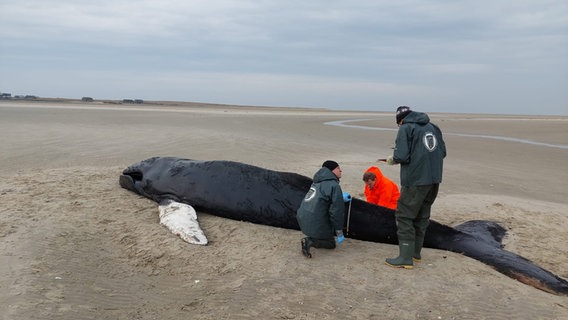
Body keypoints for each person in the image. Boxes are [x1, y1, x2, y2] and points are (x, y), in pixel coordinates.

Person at [384, 106, 446, 269]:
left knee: (404, 216)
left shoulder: (406, 128)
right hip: (434, 179)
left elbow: (402, 156)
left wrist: (392, 159)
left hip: (416, 180)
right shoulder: (433, 127)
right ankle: (416, 253)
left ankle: (405, 257)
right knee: (422, 215)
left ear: (400, 120)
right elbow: (443, 152)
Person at [296, 160, 351, 258]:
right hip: (315, 222)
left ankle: (313, 236)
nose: (341, 170)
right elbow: (337, 212)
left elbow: (321, 198)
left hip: (302, 220)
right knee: (331, 243)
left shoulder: (316, 182)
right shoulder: (334, 185)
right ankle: (311, 241)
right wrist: (339, 231)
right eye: (338, 168)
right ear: (331, 171)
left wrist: (340, 197)